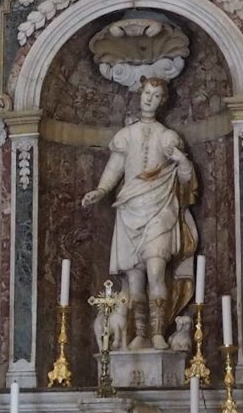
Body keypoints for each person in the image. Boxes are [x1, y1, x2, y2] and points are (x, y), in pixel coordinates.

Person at [82, 77, 198, 350]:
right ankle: (142, 334)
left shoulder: (168, 137)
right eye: (147, 93)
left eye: (156, 96)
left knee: (156, 271)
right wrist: (100, 190)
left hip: (160, 210)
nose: (149, 99)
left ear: (163, 101)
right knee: (134, 282)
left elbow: (186, 181)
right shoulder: (126, 135)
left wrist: (183, 161)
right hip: (129, 209)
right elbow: (115, 168)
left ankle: (158, 332)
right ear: (140, 94)